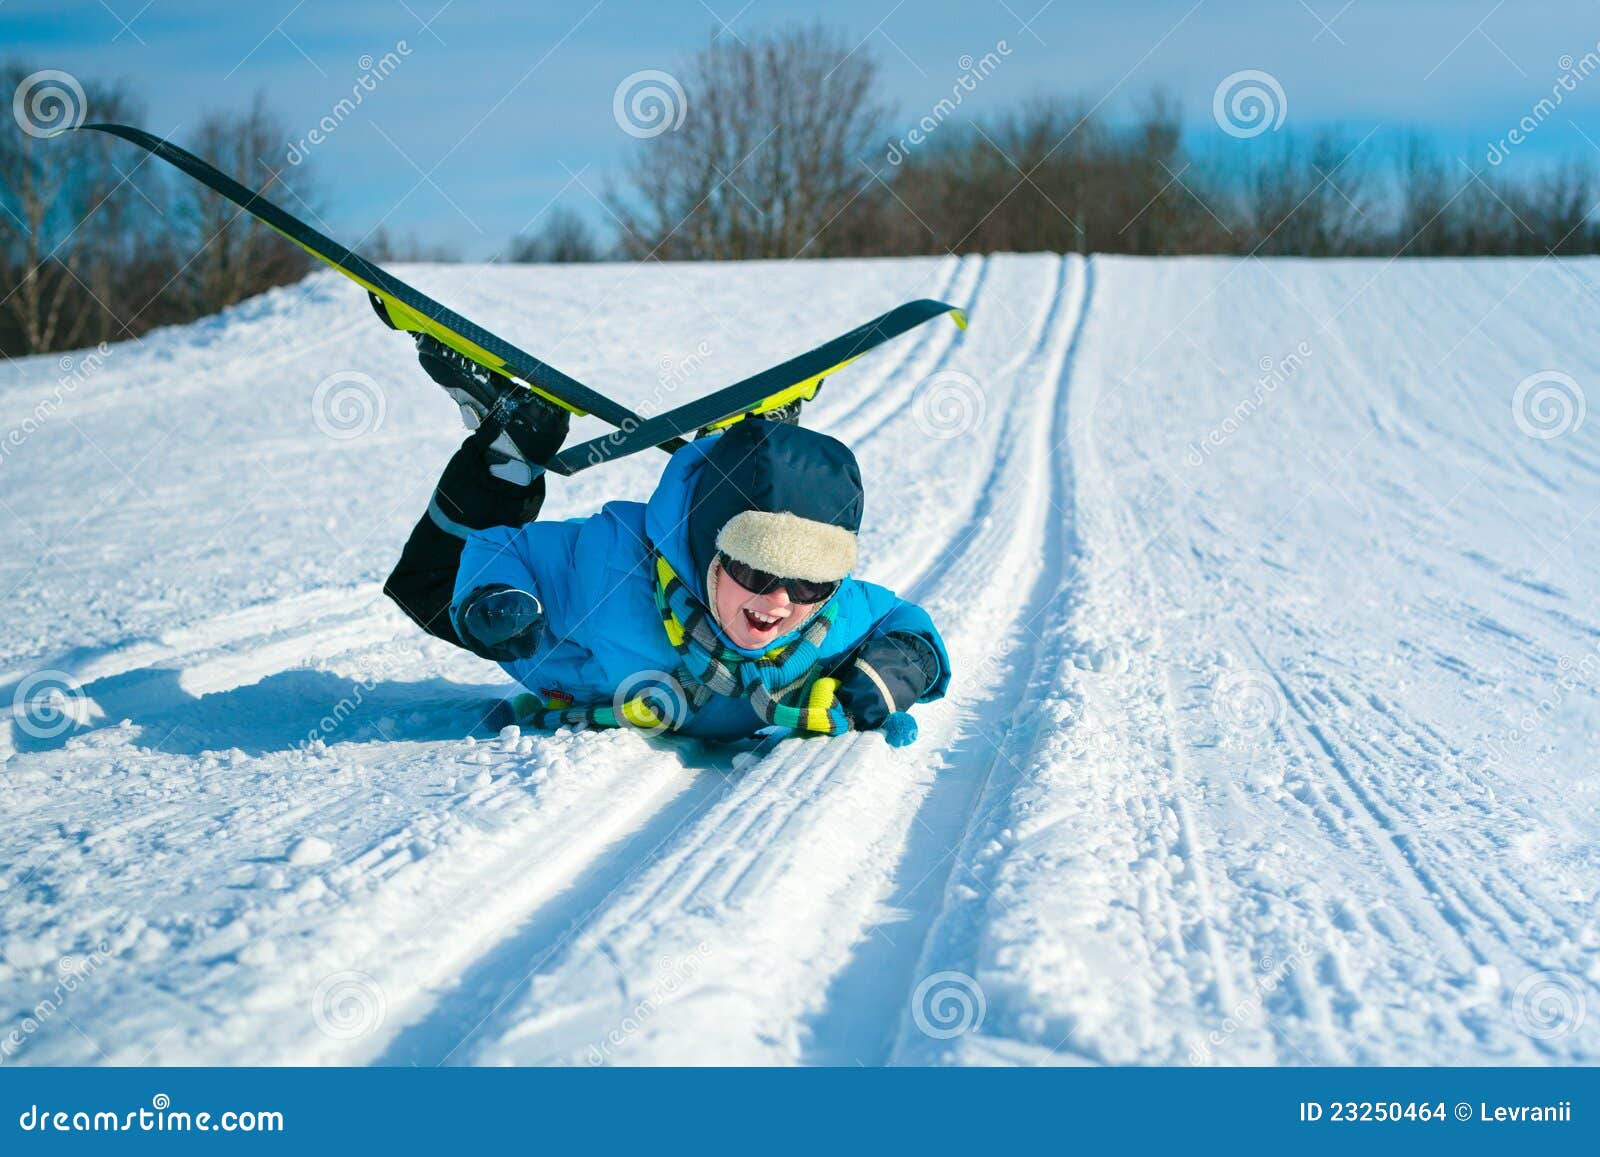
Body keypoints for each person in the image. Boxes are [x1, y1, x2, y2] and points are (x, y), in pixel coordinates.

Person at [383, 336, 950, 744]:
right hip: (559, 648)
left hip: (602, 670)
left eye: (808, 582)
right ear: (709, 550)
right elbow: (501, 548)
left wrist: (888, 676)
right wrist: (494, 599)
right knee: (438, 590)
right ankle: (512, 445)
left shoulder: (828, 617)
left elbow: (904, 625)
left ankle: (746, 444)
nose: (780, 601)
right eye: (755, 571)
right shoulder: (611, 568)